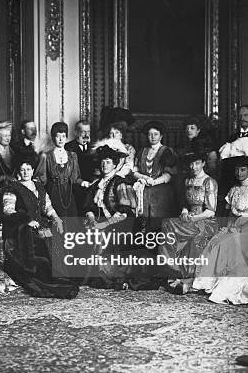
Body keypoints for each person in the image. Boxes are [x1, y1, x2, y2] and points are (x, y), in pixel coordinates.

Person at [192, 150, 248, 305]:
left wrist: (239, 229)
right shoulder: (234, 189)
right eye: (237, 169)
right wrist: (229, 228)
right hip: (237, 226)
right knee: (217, 240)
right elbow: (231, 216)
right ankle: (207, 283)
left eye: (243, 169)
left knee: (232, 243)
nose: (239, 173)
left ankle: (234, 285)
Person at [82, 143, 163, 290]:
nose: (104, 165)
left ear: (114, 165)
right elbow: (88, 207)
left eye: (108, 162)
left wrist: (104, 225)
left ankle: (113, 276)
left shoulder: (120, 183)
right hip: (101, 223)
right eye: (102, 162)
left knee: (102, 238)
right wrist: (93, 220)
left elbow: (125, 212)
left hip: (122, 224)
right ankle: (90, 275)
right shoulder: (97, 185)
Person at [1, 155, 79, 299]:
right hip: (21, 227)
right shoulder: (13, 188)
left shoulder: (38, 186)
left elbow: (47, 206)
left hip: (40, 223)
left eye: (28, 169)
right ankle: (45, 275)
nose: (25, 172)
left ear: (32, 171)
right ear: (18, 172)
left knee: (59, 234)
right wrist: (27, 220)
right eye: (22, 170)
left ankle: (62, 274)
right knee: (40, 239)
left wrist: (56, 218)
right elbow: (8, 210)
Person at [158, 140, 220, 295]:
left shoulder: (209, 182)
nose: (194, 167)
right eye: (191, 164)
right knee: (167, 223)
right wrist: (185, 212)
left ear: (203, 163)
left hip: (205, 221)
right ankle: (172, 271)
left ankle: (184, 275)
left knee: (176, 228)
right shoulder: (188, 180)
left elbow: (211, 211)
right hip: (190, 217)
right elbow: (186, 204)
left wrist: (193, 218)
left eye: (197, 163)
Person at [35, 122, 90, 221]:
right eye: (57, 136)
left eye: (63, 136)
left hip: (69, 197)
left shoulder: (72, 156)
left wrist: (83, 182)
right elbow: (40, 180)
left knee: (71, 226)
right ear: (53, 137)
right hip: (52, 196)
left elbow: (75, 178)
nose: (61, 139)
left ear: (66, 137)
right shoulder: (46, 156)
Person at [132, 120, 178, 231]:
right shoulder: (141, 151)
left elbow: (169, 174)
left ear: (161, 136)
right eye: (150, 134)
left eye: (156, 134)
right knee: (142, 223)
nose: (152, 137)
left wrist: (155, 181)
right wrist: (145, 178)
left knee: (158, 223)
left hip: (161, 191)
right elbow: (134, 171)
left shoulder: (167, 151)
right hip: (143, 189)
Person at [93, 106, 137, 178]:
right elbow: (97, 168)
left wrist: (114, 176)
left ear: (121, 135)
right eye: (111, 133)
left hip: (119, 178)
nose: (113, 135)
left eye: (116, 133)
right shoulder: (101, 146)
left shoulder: (128, 148)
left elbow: (128, 167)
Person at [64, 119, 93, 215]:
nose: (86, 134)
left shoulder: (93, 147)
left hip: (91, 185)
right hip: (74, 187)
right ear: (76, 133)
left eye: (88, 131)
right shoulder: (68, 147)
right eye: (83, 132)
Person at [0, 120, 17, 186]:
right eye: (5, 136)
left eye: (9, 135)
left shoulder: (15, 152)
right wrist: (5, 178)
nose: (8, 138)